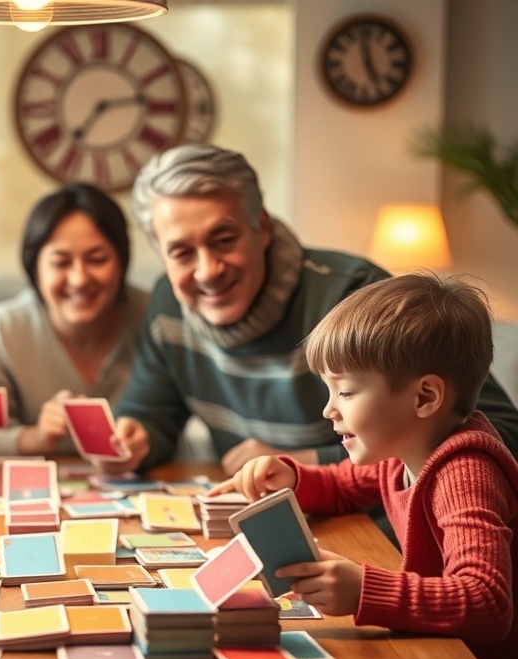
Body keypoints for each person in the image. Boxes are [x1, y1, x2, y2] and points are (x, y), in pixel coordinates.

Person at [100, 144, 518, 476]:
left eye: (224, 239)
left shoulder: (354, 295)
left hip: (373, 535)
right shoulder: (168, 303)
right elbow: (151, 414)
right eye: (181, 252)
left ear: (261, 228)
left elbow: (501, 433)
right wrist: (135, 439)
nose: (208, 270)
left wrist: (310, 462)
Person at [219, 273, 518, 659]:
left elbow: (487, 603)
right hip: (438, 657)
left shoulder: (464, 474)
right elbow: (343, 486)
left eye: (346, 392)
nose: (329, 410)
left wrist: (365, 589)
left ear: (424, 398)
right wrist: (291, 476)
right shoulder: (405, 453)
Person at [0, 183, 149, 463]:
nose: (79, 279)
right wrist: (36, 436)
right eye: (61, 263)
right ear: (34, 267)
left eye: (97, 259)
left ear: (121, 261)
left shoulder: (153, 316)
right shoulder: (3, 329)